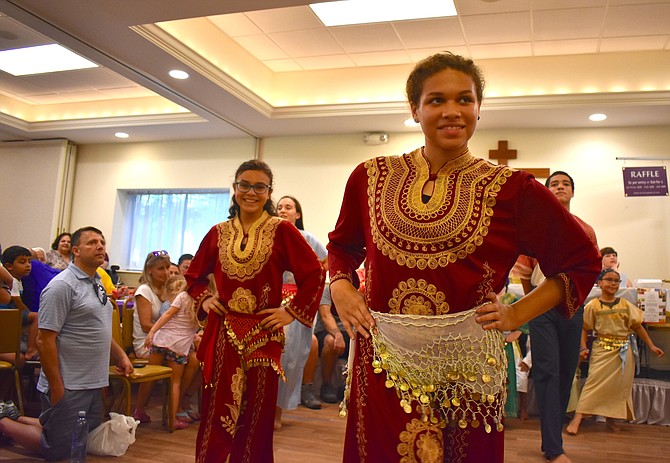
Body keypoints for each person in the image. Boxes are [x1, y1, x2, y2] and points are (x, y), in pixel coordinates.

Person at [327, 52, 601, 463]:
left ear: (478, 107)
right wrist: (342, 285)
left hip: (467, 365)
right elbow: (342, 246)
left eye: (465, 100)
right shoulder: (369, 177)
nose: (452, 112)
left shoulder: (514, 189)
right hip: (384, 358)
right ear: (414, 110)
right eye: (436, 100)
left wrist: (517, 313)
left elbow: (582, 260)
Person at [185, 159, 325, 463]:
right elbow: (193, 276)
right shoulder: (217, 233)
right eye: (244, 185)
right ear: (234, 188)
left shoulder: (283, 231)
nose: (251, 192)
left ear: (269, 191)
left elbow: (314, 273)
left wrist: (291, 312)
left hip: (264, 333)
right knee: (217, 407)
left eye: (259, 186)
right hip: (224, 331)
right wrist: (205, 299)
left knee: (258, 411)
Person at [0, 226, 133, 460]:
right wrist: (57, 385)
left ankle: (12, 415)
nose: (100, 246)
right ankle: (2, 421)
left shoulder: (97, 283)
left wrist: (120, 355)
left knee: (78, 438)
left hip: (91, 380)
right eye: (91, 242)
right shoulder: (62, 286)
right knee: (59, 448)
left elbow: (99, 328)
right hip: (69, 381)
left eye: (101, 242)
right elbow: (44, 339)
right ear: (76, 250)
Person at [514, 170, 599, 463]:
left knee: (566, 373)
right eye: (554, 184)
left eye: (565, 184)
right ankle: (553, 447)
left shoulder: (586, 230)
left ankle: (553, 439)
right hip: (542, 308)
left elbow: (590, 270)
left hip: (573, 307)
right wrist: (534, 302)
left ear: (573, 192)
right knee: (548, 371)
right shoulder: (535, 228)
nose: (560, 188)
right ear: (548, 192)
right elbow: (525, 273)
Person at [566, 268, 664, 435]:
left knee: (618, 387)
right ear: (600, 283)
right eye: (609, 280)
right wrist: (583, 348)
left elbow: (637, 326)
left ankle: (610, 419)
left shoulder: (625, 304)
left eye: (616, 281)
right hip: (602, 350)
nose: (613, 283)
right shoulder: (592, 305)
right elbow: (584, 328)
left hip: (624, 353)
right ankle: (579, 416)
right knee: (593, 383)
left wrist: (651, 346)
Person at [275, 195, 328, 428]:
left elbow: (326, 263)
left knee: (290, 356)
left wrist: (307, 287)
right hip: (272, 300)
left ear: (298, 214)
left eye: (288, 207)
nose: (283, 210)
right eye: (279, 207)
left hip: (298, 303)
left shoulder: (307, 238)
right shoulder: (268, 236)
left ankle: (276, 412)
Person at [138, 275, 200, 430]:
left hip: (161, 340)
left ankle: (138, 410)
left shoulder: (182, 296)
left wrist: (152, 332)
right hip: (178, 346)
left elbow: (167, 315)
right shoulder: (202, 302)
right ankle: (172, 420)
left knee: (149, 376)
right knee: (175, 381)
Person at [1, 245, 39, 360]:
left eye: (29, 261)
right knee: (37, 316)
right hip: (7, 312)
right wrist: (28, 312)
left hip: (14, 312)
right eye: (22, 262)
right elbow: (17, 302)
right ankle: (31, 350)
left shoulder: (20, 280)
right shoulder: (12, 281)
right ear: (9, 266)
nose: (28, 265)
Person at [314, 285, 350, 404]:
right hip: (326, 331)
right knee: (331, 341)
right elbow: (325, 316)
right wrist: (338, 335)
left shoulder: (355, 291)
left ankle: (347, 386)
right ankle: (327, 385)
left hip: (349, 332)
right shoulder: (327, 290)